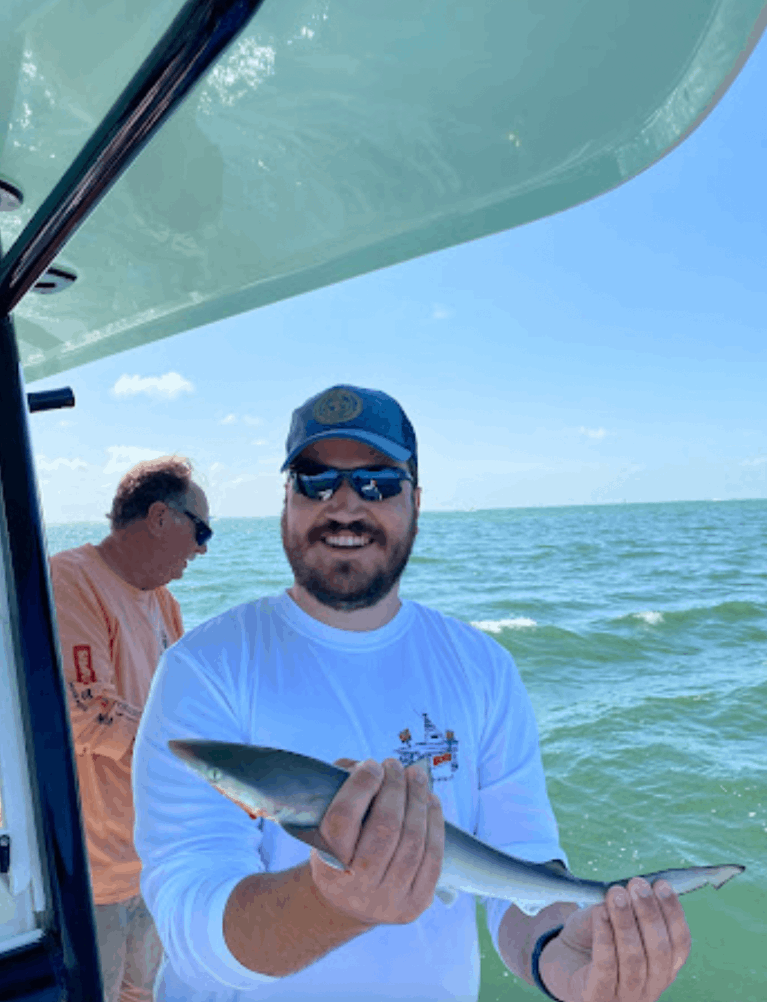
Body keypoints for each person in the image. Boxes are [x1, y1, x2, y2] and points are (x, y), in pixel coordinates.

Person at [133, 387, 691, 1002]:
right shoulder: (203, 668)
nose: (344, 503)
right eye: (315, 479)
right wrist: (332, 904)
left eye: (377, 481)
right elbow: (189, 917)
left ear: (417, 501)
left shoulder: (483, 668)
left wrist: (559, 954)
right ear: (285, 500)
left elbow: (520, 869)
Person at [50, 456, 212, 1002]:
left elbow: (173, 709)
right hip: (91, 875)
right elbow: (87, 716)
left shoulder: (165, 603)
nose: (202, 549)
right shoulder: (69, 581)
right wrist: (201, 758)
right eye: (201, 530)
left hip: (151, 858)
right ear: (162, 517)